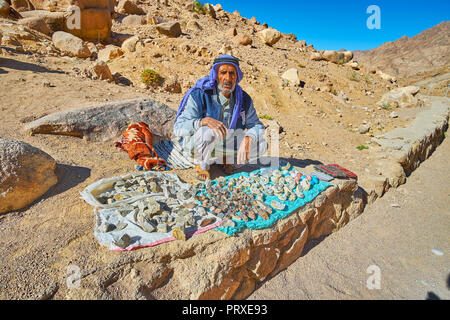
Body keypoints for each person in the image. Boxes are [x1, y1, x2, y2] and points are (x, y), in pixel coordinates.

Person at [173, 55, 268, 180]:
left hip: (227, 143)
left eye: (232, 73)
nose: (228, 78)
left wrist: (248, 138)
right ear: (216, 75)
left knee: (261, 144)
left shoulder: (243, 99)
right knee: (205, 131)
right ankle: (202, 165)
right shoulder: (200, 94)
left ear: (237, 77)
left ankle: (225, 159)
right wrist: (202, 121)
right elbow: (178, 127)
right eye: (223, 72)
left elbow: (257, 125)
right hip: (198, 144)